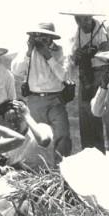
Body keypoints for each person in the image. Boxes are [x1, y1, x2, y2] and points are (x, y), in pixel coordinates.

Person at [11, 22, 72, 161]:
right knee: (36, 138)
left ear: (52, 37)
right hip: (35, 100)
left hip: (55, 99)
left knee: (62, 136)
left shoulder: (60, 51)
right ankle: (39, 172)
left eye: (45, 36)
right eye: (39, 35)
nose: (42, 39)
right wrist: (28, 51)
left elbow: (65, 76)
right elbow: (16, 70)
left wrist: (48, 56)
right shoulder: (29, 51)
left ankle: (62, 170)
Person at [63, 5, 109, 153]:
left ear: (91, 17)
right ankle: (90, 154)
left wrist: (107, 48)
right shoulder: (75, 35)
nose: (81, 23)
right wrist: (75, 56)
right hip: (85, 77)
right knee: (87, 118)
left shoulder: (105, 29)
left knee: (107, 115)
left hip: (104, 73)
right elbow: (69, 63)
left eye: (85, 18)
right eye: (78, 19)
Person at [0, 100, 53, 168]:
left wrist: (27, 115)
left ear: (25, 117)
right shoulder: (4, 140)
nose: (14, 124)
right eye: (9, 121)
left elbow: (44, 140)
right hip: (18, 176)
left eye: (18, 119)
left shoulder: (41, 128)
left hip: (44, 176)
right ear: (4, 122)